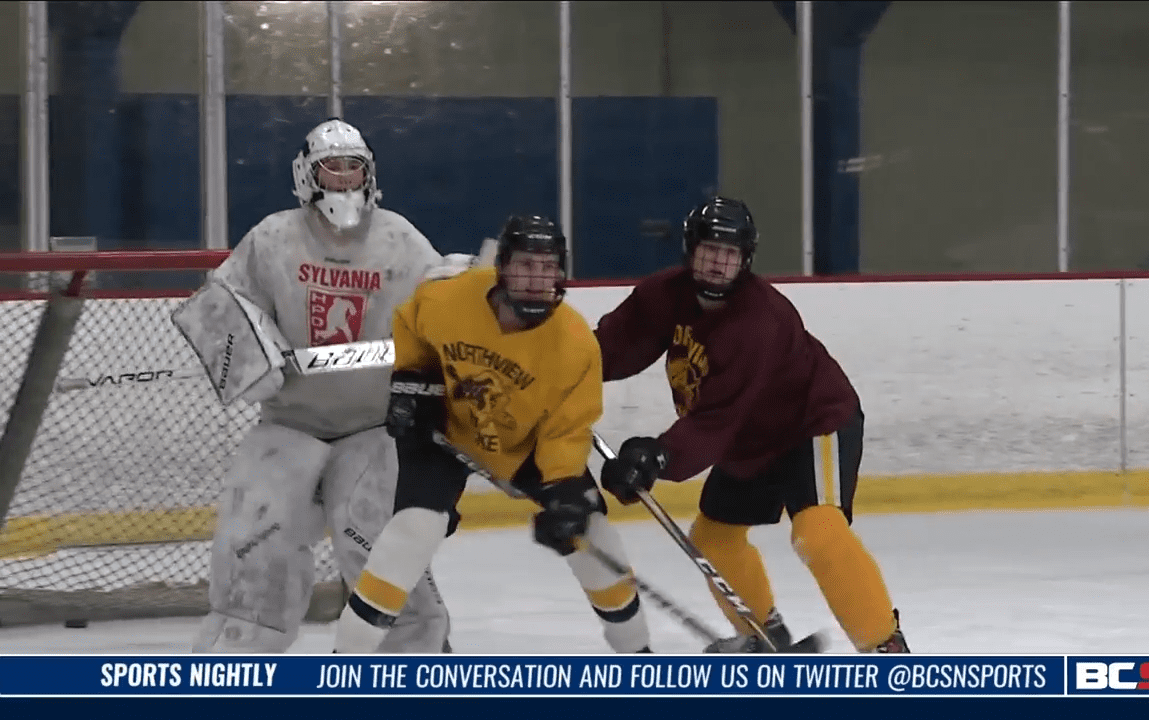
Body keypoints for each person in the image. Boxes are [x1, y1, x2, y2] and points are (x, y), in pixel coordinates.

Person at [176, 118, 476, 653]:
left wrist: (463, 289)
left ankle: (415, 660)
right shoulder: (273, 237)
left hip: (372, 429)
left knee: (379, 548)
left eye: (352, 167)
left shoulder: (398, 239)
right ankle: (236, 668)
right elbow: (221, 305)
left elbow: (438, 312)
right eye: (330, 168)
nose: (342, 179)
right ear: (307, 174)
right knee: (253, 547)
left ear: (370, 174)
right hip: (288, 424)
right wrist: (250, 357)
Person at [591, 196, 910, 654]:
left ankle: (887, 651)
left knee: (818, 534)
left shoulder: (759, 320)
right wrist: (558, 371)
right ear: (690, 249)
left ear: (746, 259)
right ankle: (765, 635)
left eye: (731, 253)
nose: (720, 263)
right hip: (748, 437)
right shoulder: (665, 295)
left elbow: (716, 419)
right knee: (714, 539)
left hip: (811, 423)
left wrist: (657, 457)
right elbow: (610, 349)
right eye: (710, 249)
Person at [331, 215, 653, 655]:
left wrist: (563, 494)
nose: (537, 278)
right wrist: (413, 381)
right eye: (526, 265)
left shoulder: (576, 343)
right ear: (501, 267)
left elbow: (567, 430)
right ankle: (342, 664)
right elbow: (410, 325)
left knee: (594, 537)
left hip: (526, 449)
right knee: (412, 532)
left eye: (548, 267)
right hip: (447, 431)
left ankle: (639, 660)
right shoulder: (449, 299)